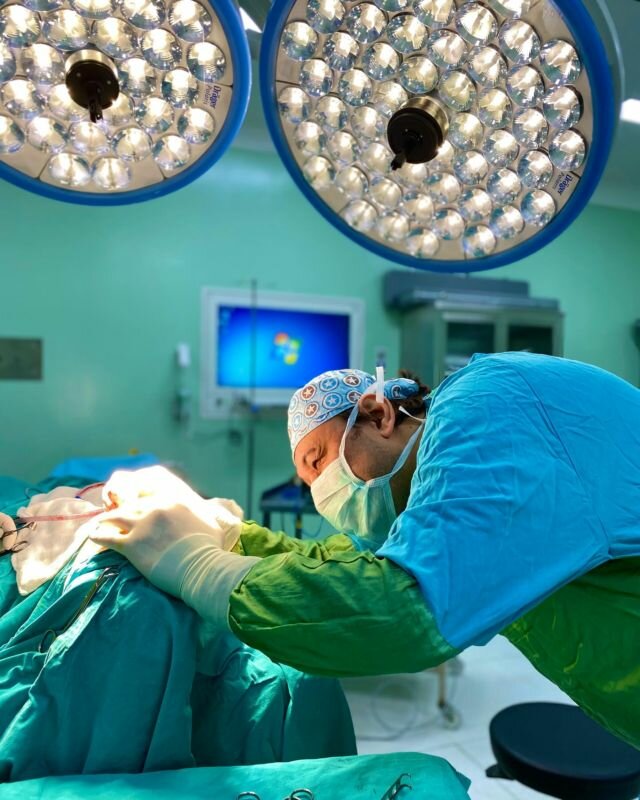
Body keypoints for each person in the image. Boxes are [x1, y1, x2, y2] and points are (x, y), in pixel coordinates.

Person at [90, 352, 640, 750]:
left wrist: (197, 567)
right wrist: (228, 531)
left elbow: (402, 609)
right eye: (308, 481)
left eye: (319, 460)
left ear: (378, 415)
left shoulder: (488, 405)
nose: (320, 490)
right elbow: (340, 563)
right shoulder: (424, 493)